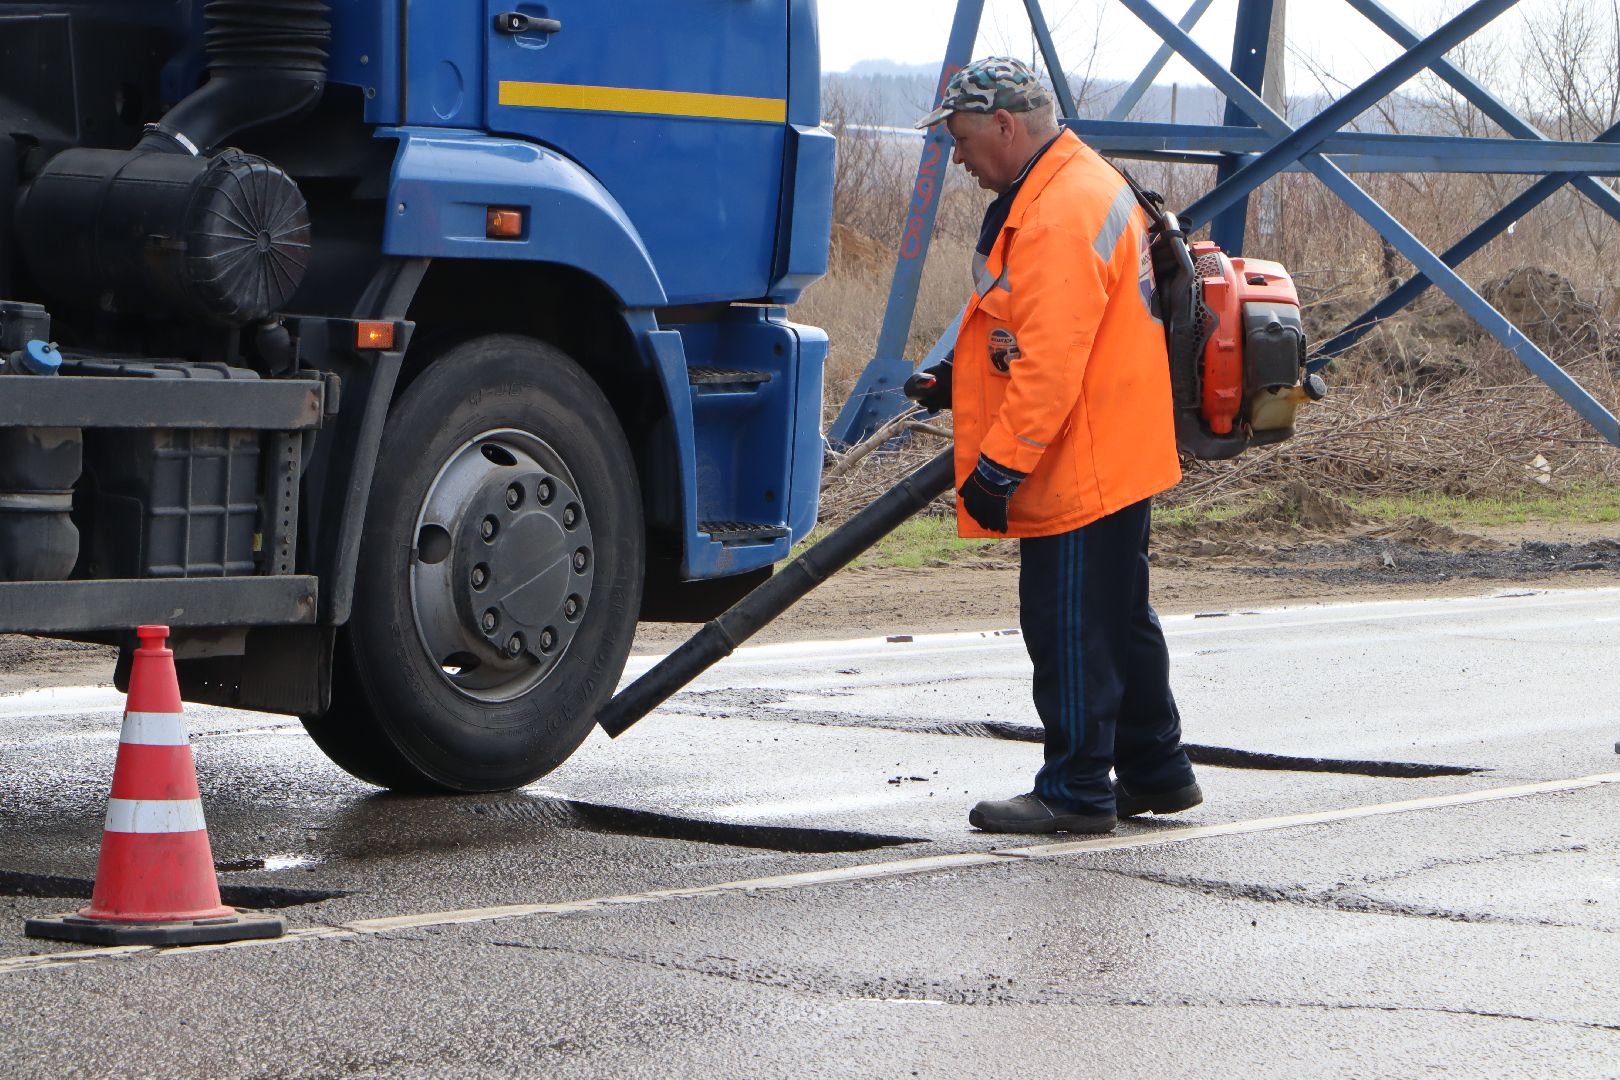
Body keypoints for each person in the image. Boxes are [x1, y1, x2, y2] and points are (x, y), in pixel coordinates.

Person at [907, 57, 1202, 834]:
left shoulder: (1058, 210)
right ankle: (1155, 768)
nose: (957, 155)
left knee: (1070, 621)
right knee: (1116, 614)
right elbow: (1036, 330)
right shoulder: (1075, 181)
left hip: (1079, 454)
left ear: (1006, 127)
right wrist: (956, 379)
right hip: (1120, 442)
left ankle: (1075, 789)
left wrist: (999, 466)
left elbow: (1051, 364)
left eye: (963, 138)